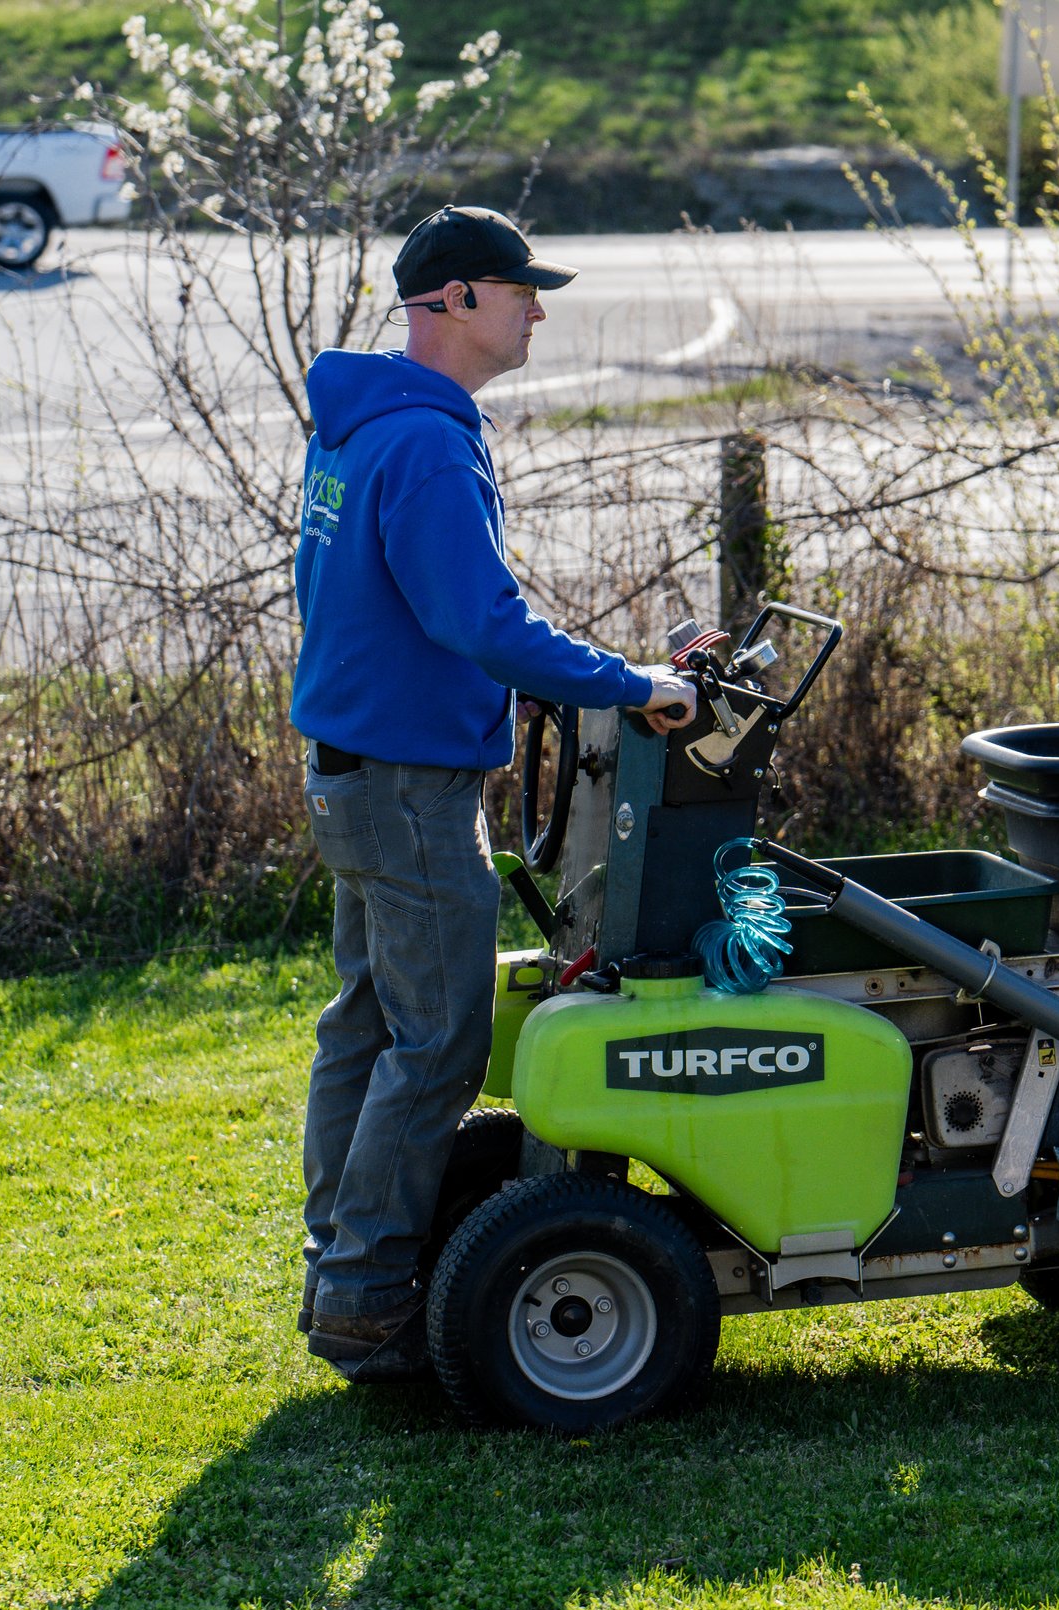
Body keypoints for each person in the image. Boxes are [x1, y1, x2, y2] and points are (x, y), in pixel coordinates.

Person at [289, 204, 696, 1379]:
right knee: (437, 1039)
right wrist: (632, 683)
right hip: (409, 789)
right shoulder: (420, 441)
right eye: (519, 288)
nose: (537, 306)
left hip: (360, 770)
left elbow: (396, 608)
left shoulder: (372, 423)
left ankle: (341, 1267)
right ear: (454, 302)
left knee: (365, 1026)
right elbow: (476, 619)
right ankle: (368, 1299)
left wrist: (505, 686)